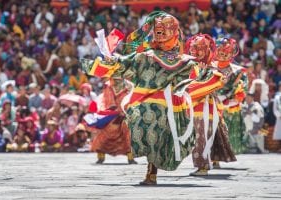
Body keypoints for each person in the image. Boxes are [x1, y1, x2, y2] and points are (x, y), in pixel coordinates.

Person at [81, 11, 225, 185]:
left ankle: (151, 172)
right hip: (153, 106)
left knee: (153, 132)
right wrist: (109, 61)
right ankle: (150, 170)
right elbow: (123, 64)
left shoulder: (178, 60)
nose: (161, 33)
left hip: (160, 108)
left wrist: (204, 72)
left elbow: (195, 79)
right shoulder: (152, 57)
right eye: (160, 30)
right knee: (148, 132)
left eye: (163, 30)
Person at [184, 34, 230, 176]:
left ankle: (202, 167)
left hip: (205, 108)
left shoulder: (211, 68)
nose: (195, 52)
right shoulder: (192, 66)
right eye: (193, 48)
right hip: (194, 108)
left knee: (202, 137)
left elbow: (206, 85)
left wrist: (202, 78)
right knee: (198, 138)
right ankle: (201, 165)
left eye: (198, 48)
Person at [83, 77, 137, 164]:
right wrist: (115, 111)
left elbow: (132, 99)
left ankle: (131, 158)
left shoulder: (129, 85)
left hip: (125, 114)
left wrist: (125, 110)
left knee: (128, 135)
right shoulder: (109, 86)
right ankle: (101, 157)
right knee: (105, 134)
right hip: (113, 115)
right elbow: (107, 102)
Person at [213, 38, 248, 157]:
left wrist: (231, 101)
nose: (222, 54)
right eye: (220, 51)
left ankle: (223, 155)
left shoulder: (237, 71)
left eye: (225, 52)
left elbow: (242, 89)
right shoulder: (210, 67)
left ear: (232, 53)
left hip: (229, 106)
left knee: (227, 133)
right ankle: (214, 156)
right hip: (212, 104)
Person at [273, 82, 281, 151]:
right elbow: (275, 108)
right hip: (280, 118)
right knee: (279, 133)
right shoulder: (277, 97)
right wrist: (279, 115)